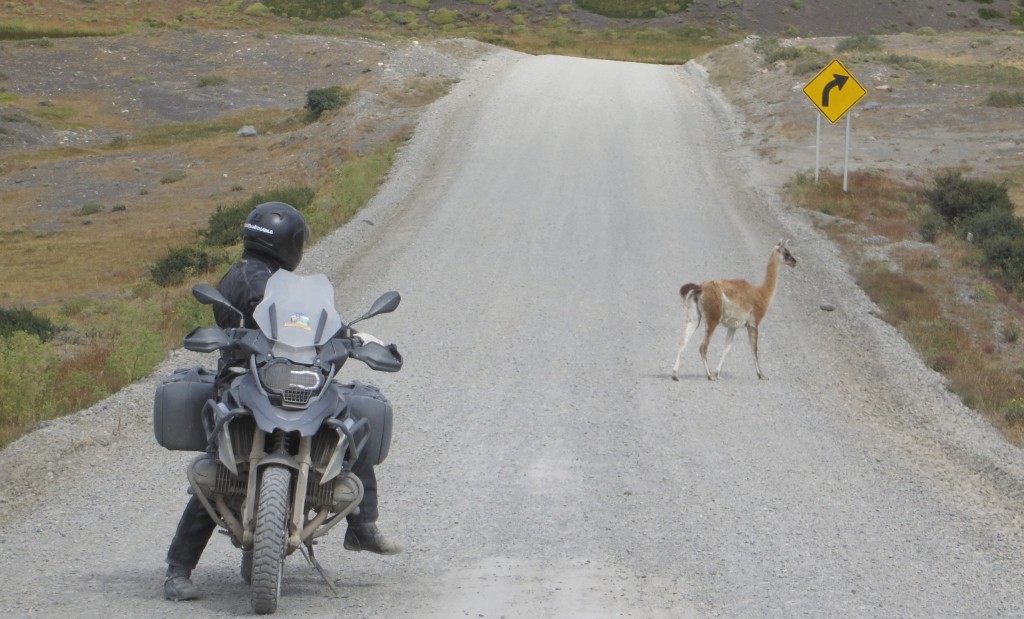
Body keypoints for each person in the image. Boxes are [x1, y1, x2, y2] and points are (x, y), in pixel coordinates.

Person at [164, 201, 402, 602]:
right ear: (288, 242)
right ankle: (178, 567)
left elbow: (304, 321)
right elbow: (269, 322)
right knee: (220, 467)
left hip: (288, 376)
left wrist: (343, 333)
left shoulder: (276, 281)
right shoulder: (248, 279)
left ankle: (360, 525)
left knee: (347, 423)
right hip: (245, 379)